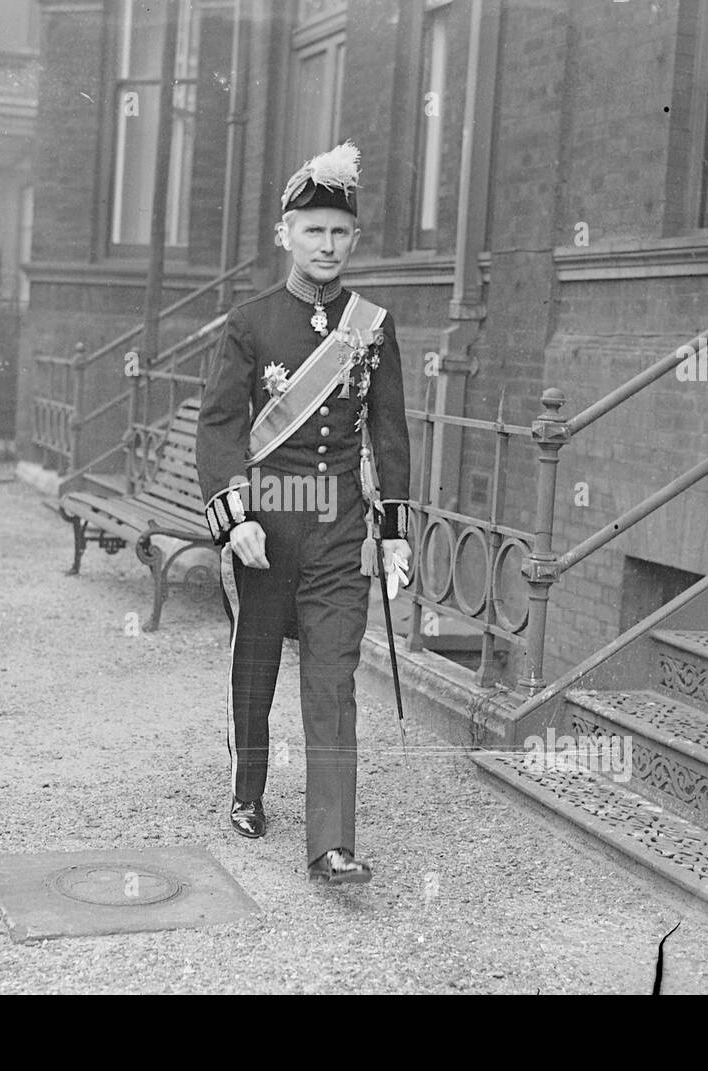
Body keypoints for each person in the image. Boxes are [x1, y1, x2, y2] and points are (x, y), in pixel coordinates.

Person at [196, 140, 412, 885]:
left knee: (332, 679)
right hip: (266, 524)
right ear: (286, 233)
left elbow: (389, 432)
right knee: (255, 667)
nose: (326, 244)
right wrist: (235, 516)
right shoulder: (250, 322)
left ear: (354, 239)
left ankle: (331, 844)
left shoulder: (373, 326)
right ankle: (248, 789)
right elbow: (220, 424)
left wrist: (393, 535)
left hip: (339, 530)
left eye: (339, 232)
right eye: (312, 229)